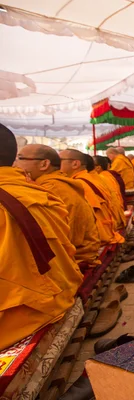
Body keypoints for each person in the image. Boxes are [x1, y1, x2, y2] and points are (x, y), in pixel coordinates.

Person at [0, 124, 83, 349]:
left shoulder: (53, 189)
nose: (18, 162)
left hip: (27, 313)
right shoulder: (42, 192)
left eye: (22, 158)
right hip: (62, 288)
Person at [15, 144, 101, 267]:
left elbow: (60, 239)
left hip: (76, 256)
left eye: (20, 159)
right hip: (82, 249)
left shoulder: (51, 189)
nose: (15, 165)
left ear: (44, 164)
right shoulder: (55, 184)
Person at [60, 149, 124, 245]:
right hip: (110, 226)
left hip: (100, 235)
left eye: (59, 160)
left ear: (75, 164)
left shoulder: (79, 184)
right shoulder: (91, 178)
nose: (55, 164)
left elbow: (80, 219)